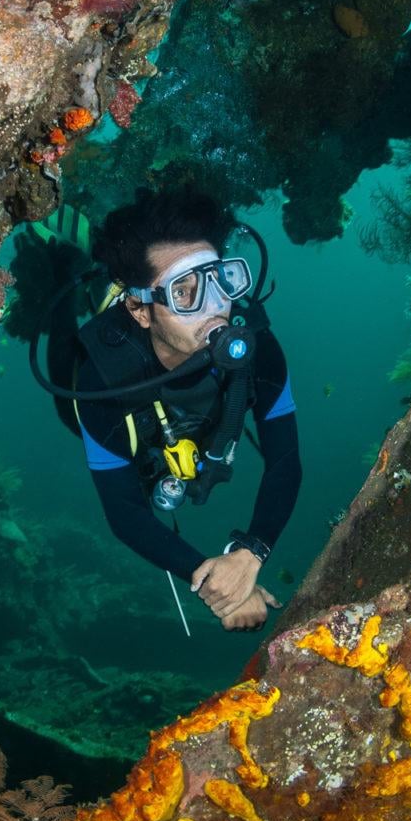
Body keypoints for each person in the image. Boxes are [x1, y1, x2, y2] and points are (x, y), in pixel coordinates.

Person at [71, 185, 301, 631]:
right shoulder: (102, 379)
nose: (215, 307)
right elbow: (124, 512)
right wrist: (217, 583)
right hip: (125, 406)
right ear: (140, 309)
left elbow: (286, 463)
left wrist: (249, 556)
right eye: (185, 293)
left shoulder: (259, 348)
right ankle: (69, 253)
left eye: (221, 280)